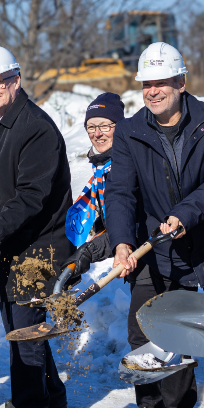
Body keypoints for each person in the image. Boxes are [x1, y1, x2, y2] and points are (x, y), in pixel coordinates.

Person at [105, 42, 204, 408]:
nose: (153, 91)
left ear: (181, 82)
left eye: (162, 83)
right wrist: (121, 241)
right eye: (146, 84)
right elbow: (120, 192)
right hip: (159, 246)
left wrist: (186, 214)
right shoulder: (131, 132)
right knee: (147, 330)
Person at [0, 45, 73, 408]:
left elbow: (31, 196)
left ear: (16, 80)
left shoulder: (37, 128)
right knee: (16, 321)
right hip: (10, 238)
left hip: (40, 242)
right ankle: (52, 394)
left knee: (25, 326)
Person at [54, 92, 125, 287]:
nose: (97, 133)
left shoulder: (126, 167)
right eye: (91, 127)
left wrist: (90, 250)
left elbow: (129, 223)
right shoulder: (100, 170)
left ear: (120, 127)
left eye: (105, 126)